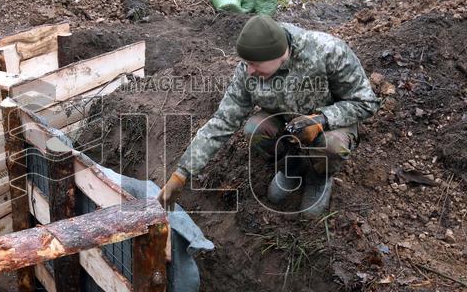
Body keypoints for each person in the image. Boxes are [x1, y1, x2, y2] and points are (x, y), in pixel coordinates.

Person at [158, 15, 380, 216]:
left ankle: (319, 177)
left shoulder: (328, 51)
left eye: (254, 64)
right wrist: (182, 172)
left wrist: (321, 120)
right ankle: (291, 166)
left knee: (332, 146)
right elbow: (223, 120)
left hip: (331, 125)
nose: (249, 71)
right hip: (287, 125)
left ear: (280, 55)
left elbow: (366, 103)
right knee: (255, 128)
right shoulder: (250, 68)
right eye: (246, 63)